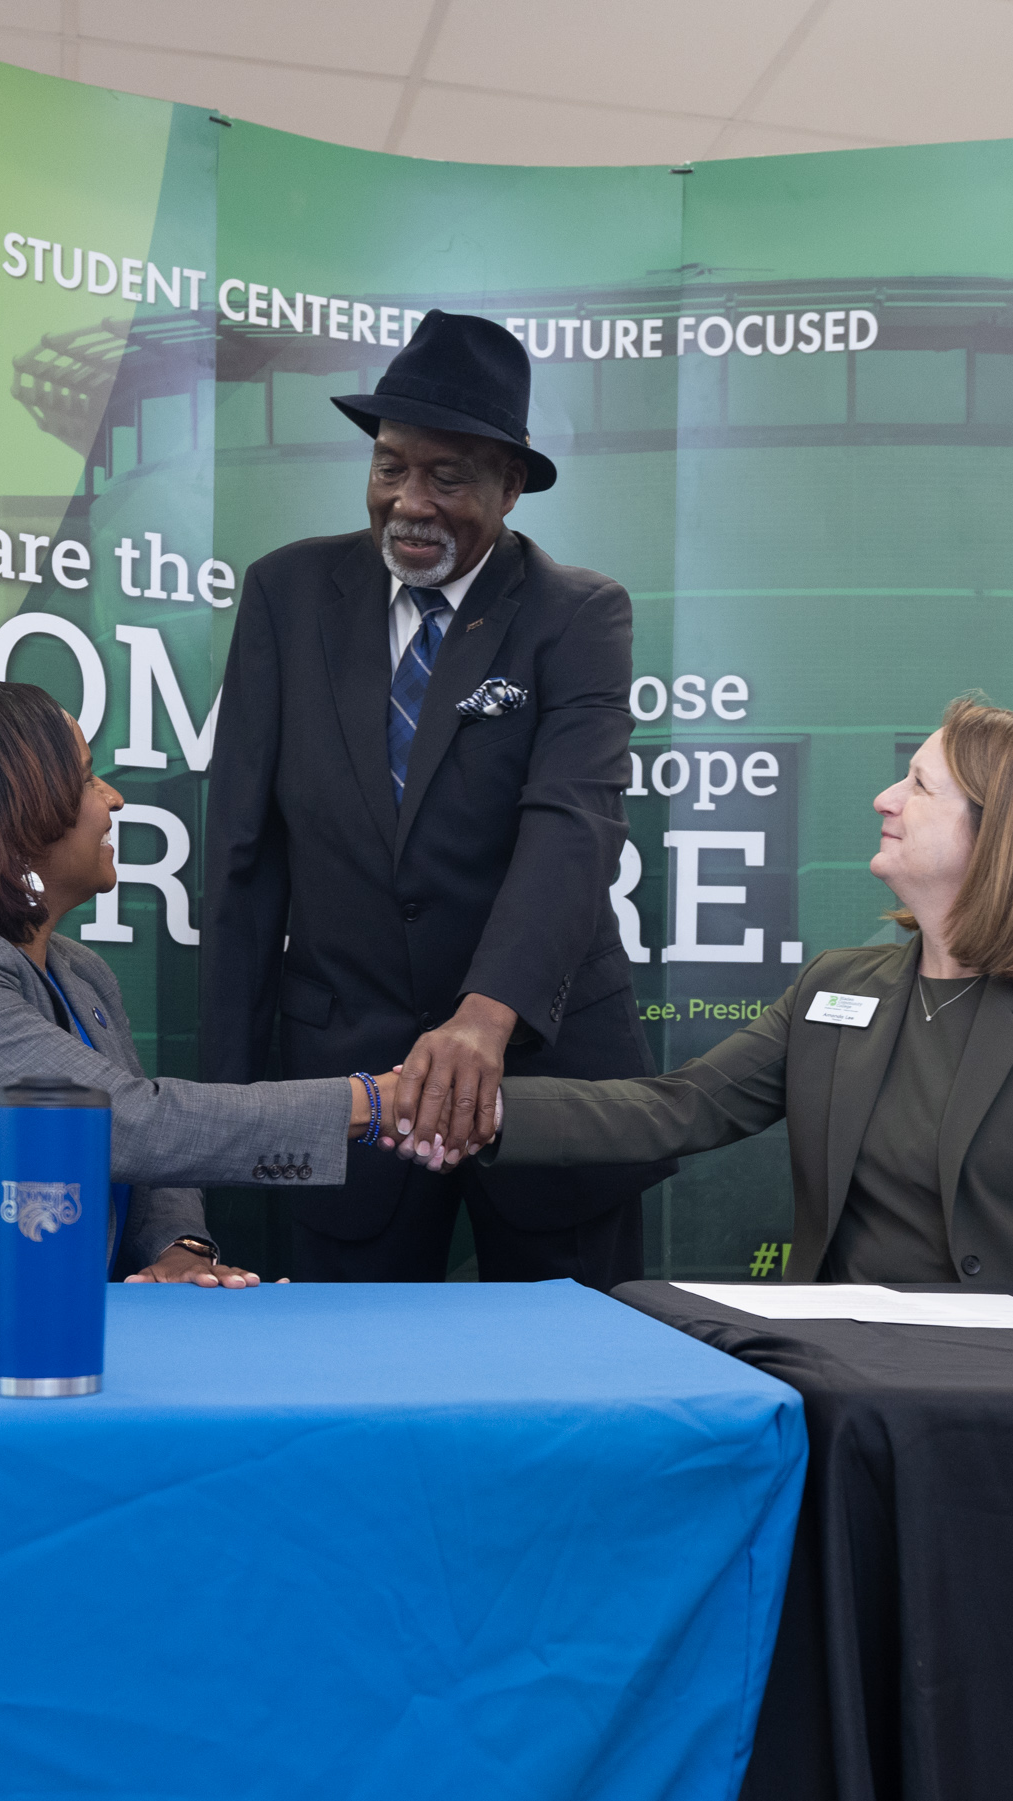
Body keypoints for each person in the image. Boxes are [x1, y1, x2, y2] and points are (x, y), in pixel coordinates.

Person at [431, 698, 1013, 1312]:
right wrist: (478, 1112)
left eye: (919, 786)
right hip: (841, 1362)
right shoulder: (837, 987)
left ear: (996, 835)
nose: (885, 798)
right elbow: (673, 1109)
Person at [200, 308, 665, 1287]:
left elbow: (572, 828)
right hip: (348, 1081)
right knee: (346, 1402)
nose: (409, 501)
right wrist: (225, 1117)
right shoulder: (287, 596)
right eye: (390, 467)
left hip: (542, 1077)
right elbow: (244, 856)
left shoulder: (577, 614)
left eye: (447, 477)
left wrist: (483, 1021)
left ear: (508, 487)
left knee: (569, 1394)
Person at [0, 680, 424, 1287]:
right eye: (86, 778)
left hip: (43, 1339)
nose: (112, 798)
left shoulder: (82, 973)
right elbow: (128, 1124)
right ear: (12, 817)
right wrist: (370, 1102)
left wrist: (180, 1248)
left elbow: (144, 1162)